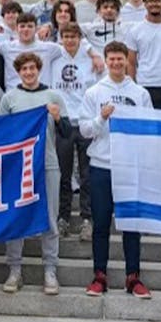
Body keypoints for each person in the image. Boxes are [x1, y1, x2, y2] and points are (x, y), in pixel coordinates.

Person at [80, 41, 154, 299]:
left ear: (126, 60)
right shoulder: (94, 92)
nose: (115, 63)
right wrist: (101, 117)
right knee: (101, 224)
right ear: (106, 60)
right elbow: (84, 130)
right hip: (102, 166)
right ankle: (99, 276)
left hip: (130, 167)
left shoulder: (140, 93)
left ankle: (133, 277)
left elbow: (149, 129)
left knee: (131, 225)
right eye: (111, 59)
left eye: (119, 58)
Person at [0, 52, 69, 296]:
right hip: (18, 166)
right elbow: (1, 132)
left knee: (50, 218)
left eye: (32, 68)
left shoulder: (53, 96)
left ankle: (50, 269)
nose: (28, 72)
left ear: (39, 70)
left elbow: (67, 133)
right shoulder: (9, 98)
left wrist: (57, 117)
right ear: (18, 72)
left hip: (47, 163)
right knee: (16, 216)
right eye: (24, 69)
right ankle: (14, 269)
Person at [50, 22, 98, 242]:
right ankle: (63, 218)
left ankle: (87, 219)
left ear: (80, 38)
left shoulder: (90, 59)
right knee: (63, 173)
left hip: (85, 121)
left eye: (73, 37)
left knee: (87, 174)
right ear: (61, 38)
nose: (69, 40)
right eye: (66, 36)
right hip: (63, 122)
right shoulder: (54, 58)